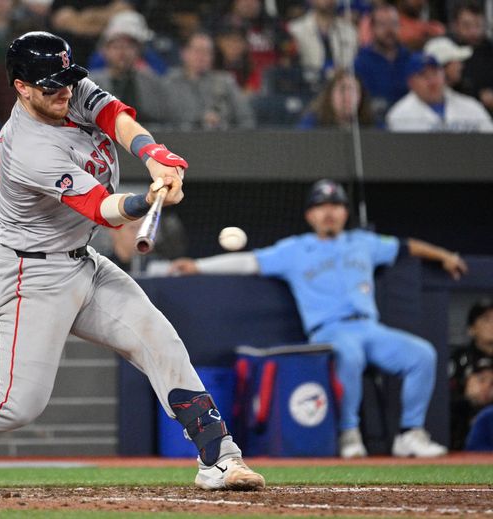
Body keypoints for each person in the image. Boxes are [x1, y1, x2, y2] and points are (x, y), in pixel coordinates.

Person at [0, 30, 265, 494]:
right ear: (21, 87)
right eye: (49, 85)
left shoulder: (66, 88)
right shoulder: (28, 147)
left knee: (160, 341)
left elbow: (114, 115)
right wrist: (148, 197)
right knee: (17, 405)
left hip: (83, 261)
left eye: (66, 80)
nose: (64, 90)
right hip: (31, 274)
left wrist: (155, 155)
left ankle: (219, 459)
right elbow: (101, 208)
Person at [170, 178, 468, 458]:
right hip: (330, 332)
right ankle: (349, 434)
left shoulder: (363, 242)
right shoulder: (296, 249)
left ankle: (409, 434)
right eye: (321, 206)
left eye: (335, 205)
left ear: (345, 212)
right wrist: (197, 265)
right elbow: (249, 262)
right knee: (349, 354)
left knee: (422, 354)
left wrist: (445, 256)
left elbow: (407, 246)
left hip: (370, 328)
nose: (329, 212)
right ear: (310, 215)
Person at [88, 13, 169, 124]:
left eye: (128, 47)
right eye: (116, 47)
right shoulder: (91, 82)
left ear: (138, 51)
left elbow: (162, 116)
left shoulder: (150, 81)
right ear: (105, 51)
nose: (122, 52)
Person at [164, 32, 256, 130]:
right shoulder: (169, 82)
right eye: (197, 51)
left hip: (222, 139)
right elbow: (165, 118)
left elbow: (247, 118)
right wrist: (200, 118)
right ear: (184, 53)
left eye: (207, 52)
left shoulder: (225, 81)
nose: (202, 56)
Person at [386, 52, 493, 131]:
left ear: (443, 75)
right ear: (411, 82)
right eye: (424, 76)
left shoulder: (471, 107)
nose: (432, 81)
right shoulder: (399, 115)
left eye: (435, 74)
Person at [353, 4, 412, 119]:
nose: (389, 30)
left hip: (407, 119)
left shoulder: (409, 58)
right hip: (374, 121)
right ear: (372, 28)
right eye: (382, 24)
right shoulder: (360, 62)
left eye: (393, 24)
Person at [449, 298, 493, 449]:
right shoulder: (461, 358)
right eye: (486, 320)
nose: (492, 325)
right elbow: (443, 401)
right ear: (472, 329)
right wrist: (469, 396)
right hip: (465, 428)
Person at [287, 0, 358, 87]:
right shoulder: (295, 30)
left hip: (340, 88)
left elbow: (352, 67)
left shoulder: (349, 31)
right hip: (306, 89)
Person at [450, 0, 493, 115]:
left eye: (478, 25)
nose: (473, 31)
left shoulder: (490, 49)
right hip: (456, 114)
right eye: (466, 25)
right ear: (455, 26)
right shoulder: (446, 50)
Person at [298, 69, 376, 129]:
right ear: (330, 94)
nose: (347, 96)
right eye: (342, 89)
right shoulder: (312, 123)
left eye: (353, 90)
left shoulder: (372, 124)